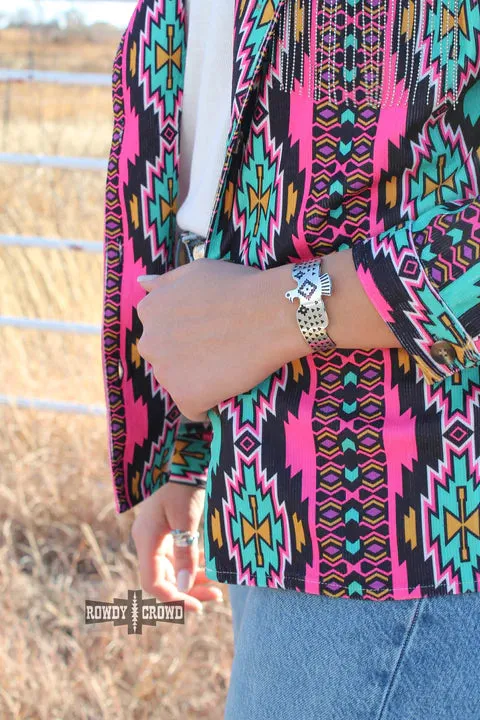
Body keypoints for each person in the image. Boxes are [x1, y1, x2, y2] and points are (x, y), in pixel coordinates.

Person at [102, 1, 480, 717]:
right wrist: (180, 444)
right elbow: (227, 174)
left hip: (410, 522)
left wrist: (281, 312)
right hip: (268, 495)